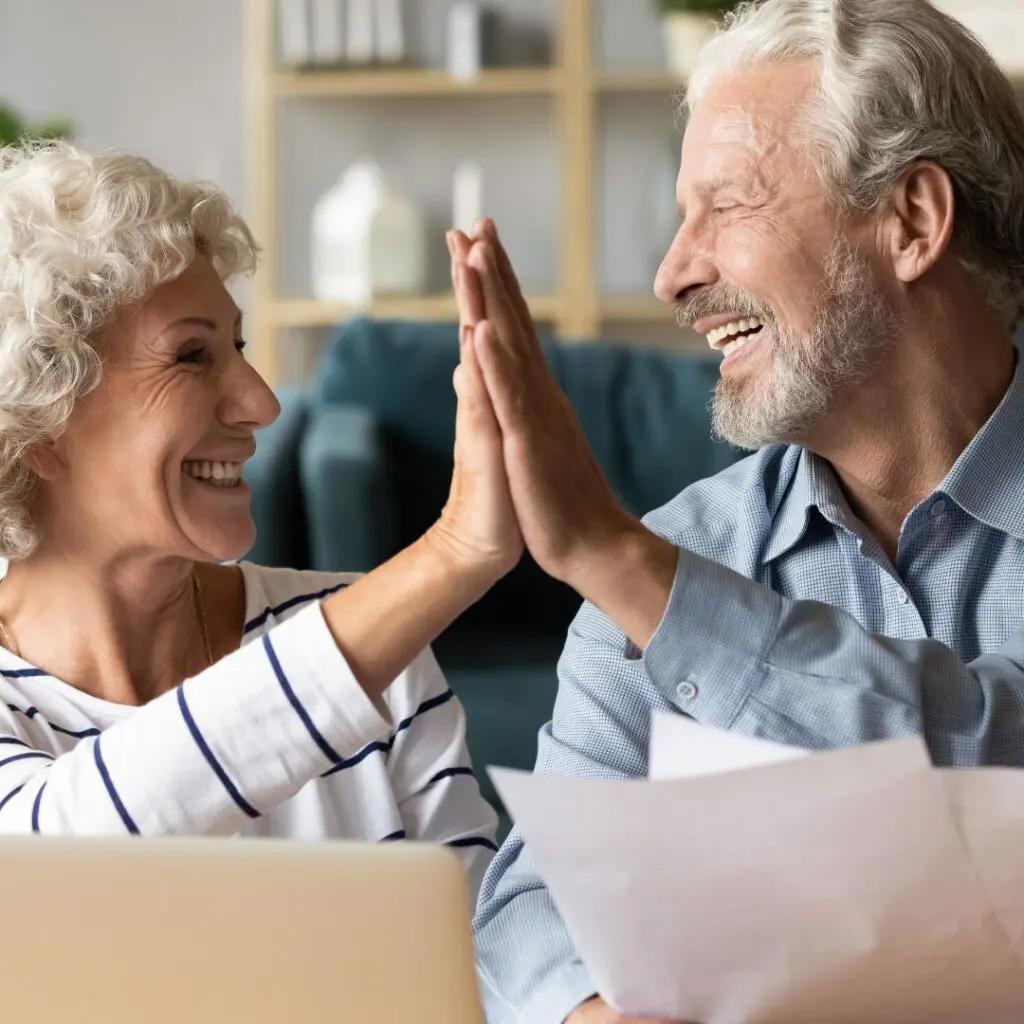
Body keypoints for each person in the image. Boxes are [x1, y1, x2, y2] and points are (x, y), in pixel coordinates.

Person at [453, 0, 1024, 1020]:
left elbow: (1001, 758)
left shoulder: (640, 572)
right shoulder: (676, 553)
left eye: (728, 205)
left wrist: (624, 570)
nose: (675, 271)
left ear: (912, 222)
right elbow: (530, 911)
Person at [0, 141, 524, 901]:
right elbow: (44, 869)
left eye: (237, 346)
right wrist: (452, 554)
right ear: (39, 420)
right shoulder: (364, 640)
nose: (261, 404)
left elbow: (483, 956)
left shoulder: (379, 651)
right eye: (191, 356)